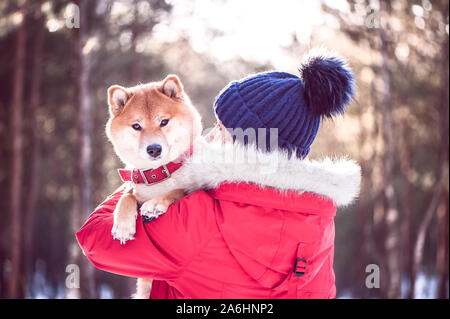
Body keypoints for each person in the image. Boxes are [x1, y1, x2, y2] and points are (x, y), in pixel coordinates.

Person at [76, 49, 361, 298]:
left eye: (222, 130)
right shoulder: (320, 223)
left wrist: (142, 176)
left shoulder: (199, 216)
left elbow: (96, 240)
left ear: (245, 144)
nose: (210, 137)